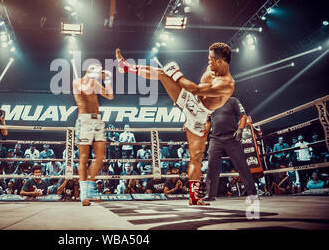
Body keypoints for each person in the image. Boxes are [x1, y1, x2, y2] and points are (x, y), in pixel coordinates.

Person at [116, 43, 235, 205]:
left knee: (196, 158)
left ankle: (194, 197)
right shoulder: (211, 73)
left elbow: (195, 89)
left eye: (211, 60)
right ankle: (127, 68)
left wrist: (177, 74)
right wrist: (174, 77)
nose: (209, 63)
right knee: (162, 74)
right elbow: (194, 92)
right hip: (190, 100)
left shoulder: (227, 84)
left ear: (220, 61)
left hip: (199, 116)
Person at [72, 63, 114, 206]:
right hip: (84, 121)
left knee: (101, 157)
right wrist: (93, 77)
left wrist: (107, 80)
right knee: (83, 158)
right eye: (94, 69)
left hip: (97, 121)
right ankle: (84, 195)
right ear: (88, 70)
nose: (97, 71)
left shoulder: (95, 83)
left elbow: (110, 95)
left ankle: (89, 186)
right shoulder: (77, 82)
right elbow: (86, 91)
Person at [203, 97, 257, 201]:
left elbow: (243, 116)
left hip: (232, 137)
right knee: (211, 165)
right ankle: (210, 194)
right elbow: (209, 121)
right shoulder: (210, 103)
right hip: (215, 138)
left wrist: (240, 129)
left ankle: (253, 194)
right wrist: (203, 133)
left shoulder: (233, 100)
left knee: (242, 165)